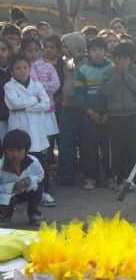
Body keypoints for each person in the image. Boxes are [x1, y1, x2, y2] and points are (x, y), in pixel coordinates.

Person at [22, 37, 59, 207]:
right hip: (28, 117)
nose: (33, 53)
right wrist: (38, 90)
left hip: (45, 114)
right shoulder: (22, 69)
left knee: (45, 149)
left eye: (36, 50)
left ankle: (45, 188)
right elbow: (24, 91)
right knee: (29, 150)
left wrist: (38, 87)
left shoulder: (47, 66)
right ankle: (28, 188)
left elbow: (55, 85)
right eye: (29, 50)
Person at [74, 37, 114, 190]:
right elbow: (79, 93)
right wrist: (89, 111)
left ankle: (111, 176)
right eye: (94, 50)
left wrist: (109, 112)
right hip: (89, 114)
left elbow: (115, 93)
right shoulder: (83, 70)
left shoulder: (112, 68)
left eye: (100, 50)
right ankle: (91, 177)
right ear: (88, 52)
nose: (97, 53)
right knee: (89, 146)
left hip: (108, 114)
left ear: (105, 51)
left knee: (108, 147)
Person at [103, 41, 136, 190]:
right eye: (119, 58)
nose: (121, 61)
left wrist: (125, 74)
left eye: (125, 58)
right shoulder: (109, 72)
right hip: (115, 116)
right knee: (117, 148)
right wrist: (117, 75)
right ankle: (117, 177)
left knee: (133, 148)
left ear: (131, 59)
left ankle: (133, 177)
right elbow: (107, 91)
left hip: (133, 115)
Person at [56, 33, 86, 187]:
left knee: (86, 143)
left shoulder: (87, 63)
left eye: (66, 46)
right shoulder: (68, 62)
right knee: (66, 144)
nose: (63, 49)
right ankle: (65, 175)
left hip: (82, 109)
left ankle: (88, 175)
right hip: (66, 109)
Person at [0, 130, 44, 227]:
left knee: (38, 189)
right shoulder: (0, 165)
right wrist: (12, 186)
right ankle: (4, 216)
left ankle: (34, 214)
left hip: (24, 191)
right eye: (11, 150)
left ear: (26, 150)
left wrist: (29, 181)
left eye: (19, 150)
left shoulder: (33, 161)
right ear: (5, 150)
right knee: (8, 199)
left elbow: (40, 175)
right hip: (5, 196)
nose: (15, 154)